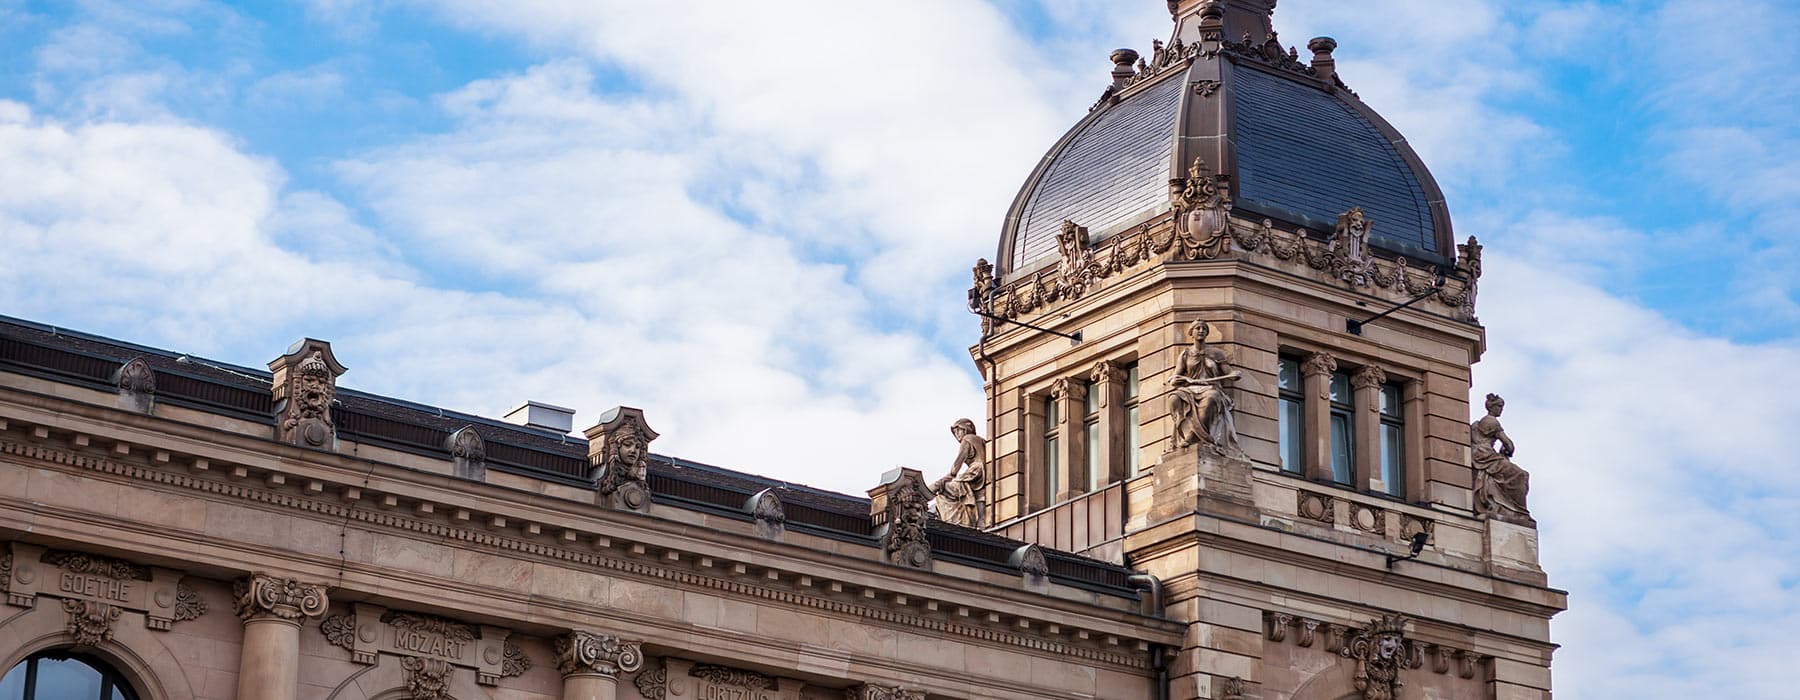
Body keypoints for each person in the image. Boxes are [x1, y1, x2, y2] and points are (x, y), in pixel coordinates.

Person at [1168, 320, 1242, 452]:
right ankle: (1181, 430)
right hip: (1190, 389)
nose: (1201, 330)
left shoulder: (1216, 353)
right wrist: (1176, 379)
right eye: (1198, 328)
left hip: (1211, 388)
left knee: (1211, 399)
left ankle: (1192, 436)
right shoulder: (1185, 354)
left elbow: (1229, 373)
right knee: (1174, 398)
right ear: (1192, 333)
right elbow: (1175, 376)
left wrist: (1234, 374)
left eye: (1204, 328)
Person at [1470, 393, 1532, 524]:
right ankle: (1517, 510)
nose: (1501, 409)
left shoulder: (1480, 422)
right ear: (1492, 407)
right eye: (1499, 406)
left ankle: (1508, 507)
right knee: (1521, 475)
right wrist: (1507, 450)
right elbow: (1509, 444)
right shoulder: (1491, 421)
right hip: (1485, 456)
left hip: (1482, 455)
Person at [931, 419, 986, 527]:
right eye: (954, 432)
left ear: (965, 430)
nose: (956, 435)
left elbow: (958, 462)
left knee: (943, 490)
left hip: (975, 472)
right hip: (982, 472)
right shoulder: (981, 440)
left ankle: (958, 520)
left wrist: (951, 474)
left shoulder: (967, 439)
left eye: (958, 430)